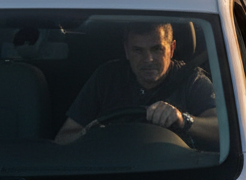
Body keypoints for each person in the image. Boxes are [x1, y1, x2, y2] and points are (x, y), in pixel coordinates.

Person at [55, 22, 219, 149]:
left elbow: (222, 131)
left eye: (156, 49)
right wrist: (92, 134)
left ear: (171, 49)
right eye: (138, 51)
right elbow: (63, 138)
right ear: (126, 50)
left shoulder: (192, 80)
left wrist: (183, 120)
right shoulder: (106, 78)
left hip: (176, 177)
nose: (148, 59)